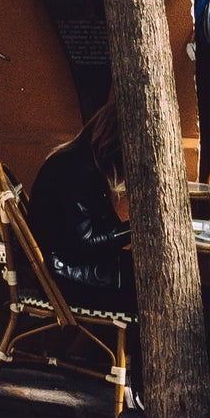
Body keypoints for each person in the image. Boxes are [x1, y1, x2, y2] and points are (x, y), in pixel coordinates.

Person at [29, 101, 133, 311]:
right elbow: (84, 244)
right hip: (68, 279)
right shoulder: (78, 170)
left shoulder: (82, 162)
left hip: (73, 270)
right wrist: (136, 229)